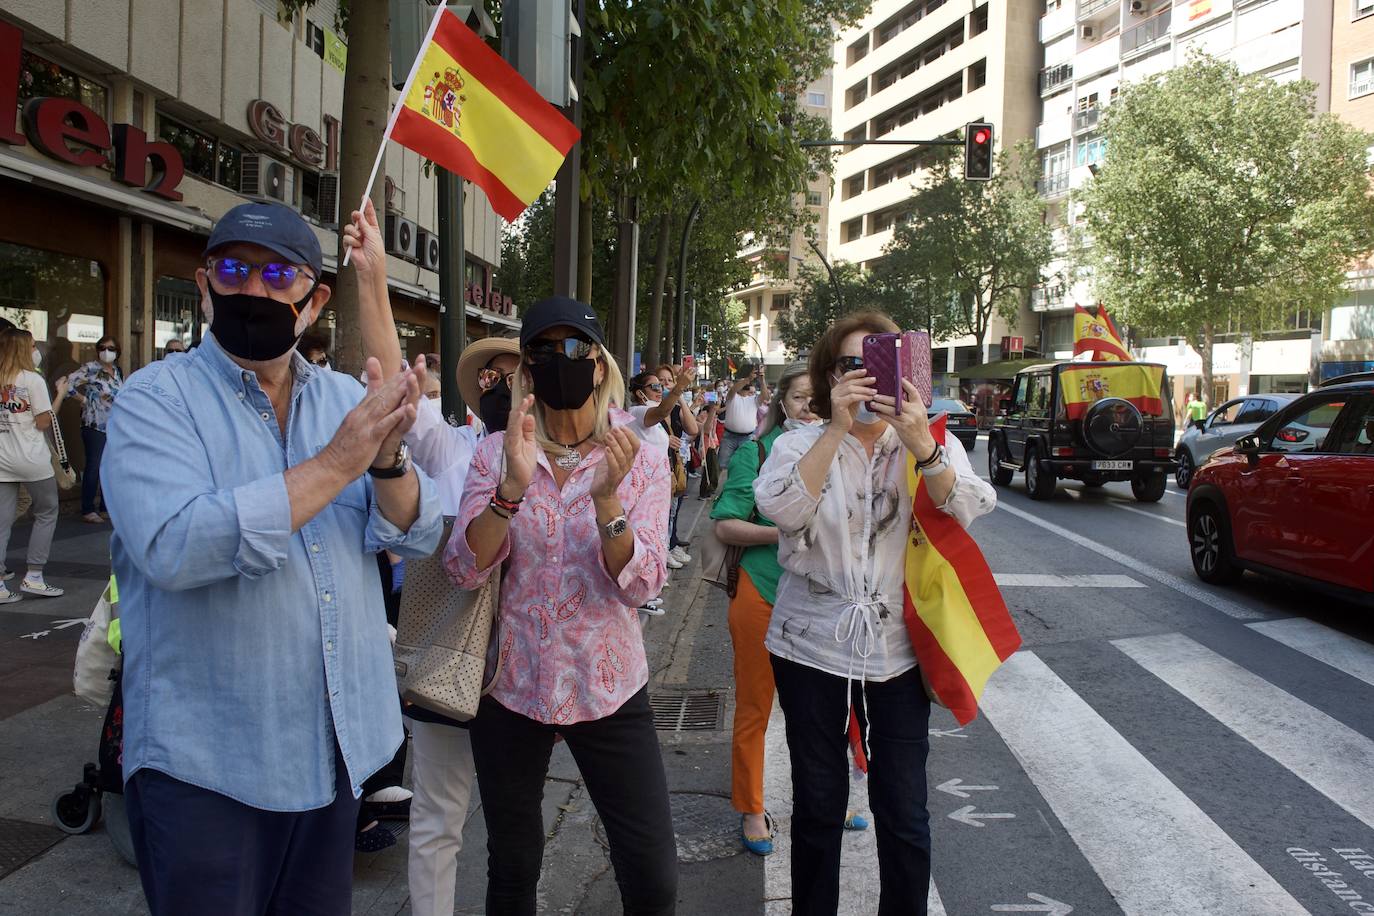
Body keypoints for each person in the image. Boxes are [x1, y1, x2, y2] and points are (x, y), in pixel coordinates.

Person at [102, 201, 443, 916]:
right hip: (206, 767)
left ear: (312, 300)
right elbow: (174, 544)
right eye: (234, 270)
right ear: (204, 286)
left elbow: (415, 533)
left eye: (278, 274)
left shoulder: (344, 401)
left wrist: (385, 464)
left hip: (332, 756)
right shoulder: (152, 402)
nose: (254, 289)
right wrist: (337, 461)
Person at [753, 312, 996, 916]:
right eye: (848, 365)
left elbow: (967, 506)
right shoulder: (798, 443)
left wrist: (922, 445)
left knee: (904, 806)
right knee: (817, 801)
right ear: (828, 375)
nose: (863, 376)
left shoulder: (932, 440)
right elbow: (782, 510)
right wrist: (833, 431)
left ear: (906, 371)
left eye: (877, 363)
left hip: (899, 649)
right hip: (809, 641)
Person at [447, 296, 677, 916]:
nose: (559, 361)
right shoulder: (496, 451)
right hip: (512, 686)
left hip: (608, 686)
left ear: (599, 365)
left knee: (652, 875)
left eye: (574, 349)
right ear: (526, 366)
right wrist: (510, 493)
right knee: (513, 866)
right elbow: (465, 568)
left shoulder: (640, 456)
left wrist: (609, 506)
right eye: (542, 350)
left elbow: (644, 583)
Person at [346, 196, 521, 916]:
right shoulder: (452, 447)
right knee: (439, 818)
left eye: (516, 371)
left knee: (516, 827)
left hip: (528, 670)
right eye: (488, 378)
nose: (501, 384)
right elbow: (389, 376)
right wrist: (373, 278)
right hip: (449, 656)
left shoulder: (578, 465)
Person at [0, 329, 64, 601]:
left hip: (2, 459)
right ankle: (34, 576)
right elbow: (43, 421)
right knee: (47, 511)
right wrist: (59, 394)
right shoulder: (33, 380)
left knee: (1, 522)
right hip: (32, 460)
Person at [64, 334, 123, 523]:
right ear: (98, 350)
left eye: (111, 348)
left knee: (110, 467)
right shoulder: (90, 368)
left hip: (114, 425)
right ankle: (88, 509)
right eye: (103, 347)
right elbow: (67, 384)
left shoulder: (117, 370)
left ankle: (106, 507)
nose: (107, 351)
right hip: (94, 424)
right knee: (94, 466)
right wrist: (83, 400)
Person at [656, 364, 699, 564]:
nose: (665, 385)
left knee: (673, 509)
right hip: (655, 469)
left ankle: (670, 546)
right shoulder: (649, 409)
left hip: (674, 466)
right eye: (660, 381)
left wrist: (679, 395)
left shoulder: (675, 407)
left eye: (670, 381)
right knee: (658, 512)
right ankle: (661, 552)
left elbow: (693, 429)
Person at [719, 367, 769, 471]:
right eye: (744, 384)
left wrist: (762, 379)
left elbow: (765, 396)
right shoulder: (732, 397)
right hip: (729, 436)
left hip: (747, 437)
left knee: (745, 466)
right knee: (723, 465)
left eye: (748, 385)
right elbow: (733, 390)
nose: (746, 385)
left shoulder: (754, 400)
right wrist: (748, 379)